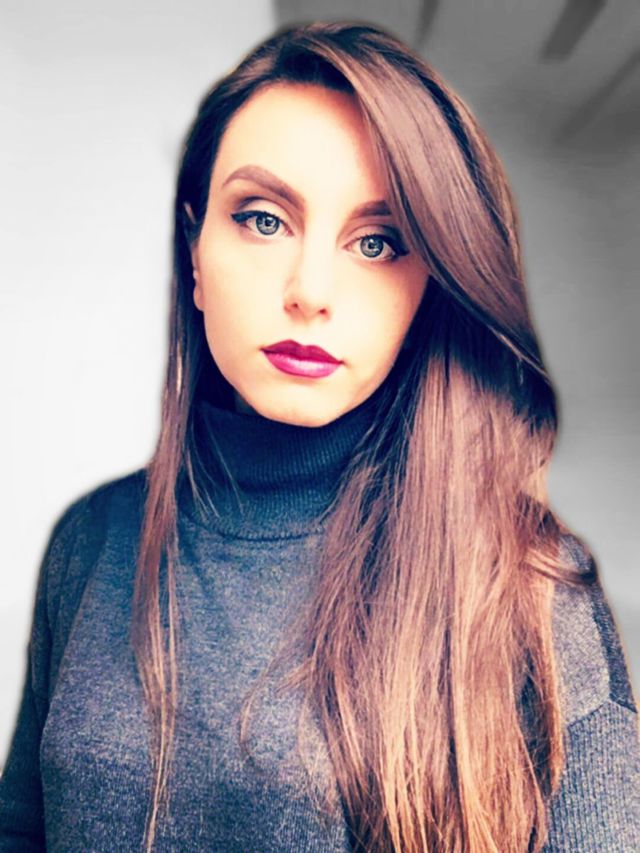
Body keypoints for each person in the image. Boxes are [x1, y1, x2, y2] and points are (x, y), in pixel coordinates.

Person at [0, 19, 638, 853]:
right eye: (264, 219)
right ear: (195, 254)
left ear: (430, 288)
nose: (311, 290)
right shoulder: (90, 541)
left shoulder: (529, 586)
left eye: (377, 242)